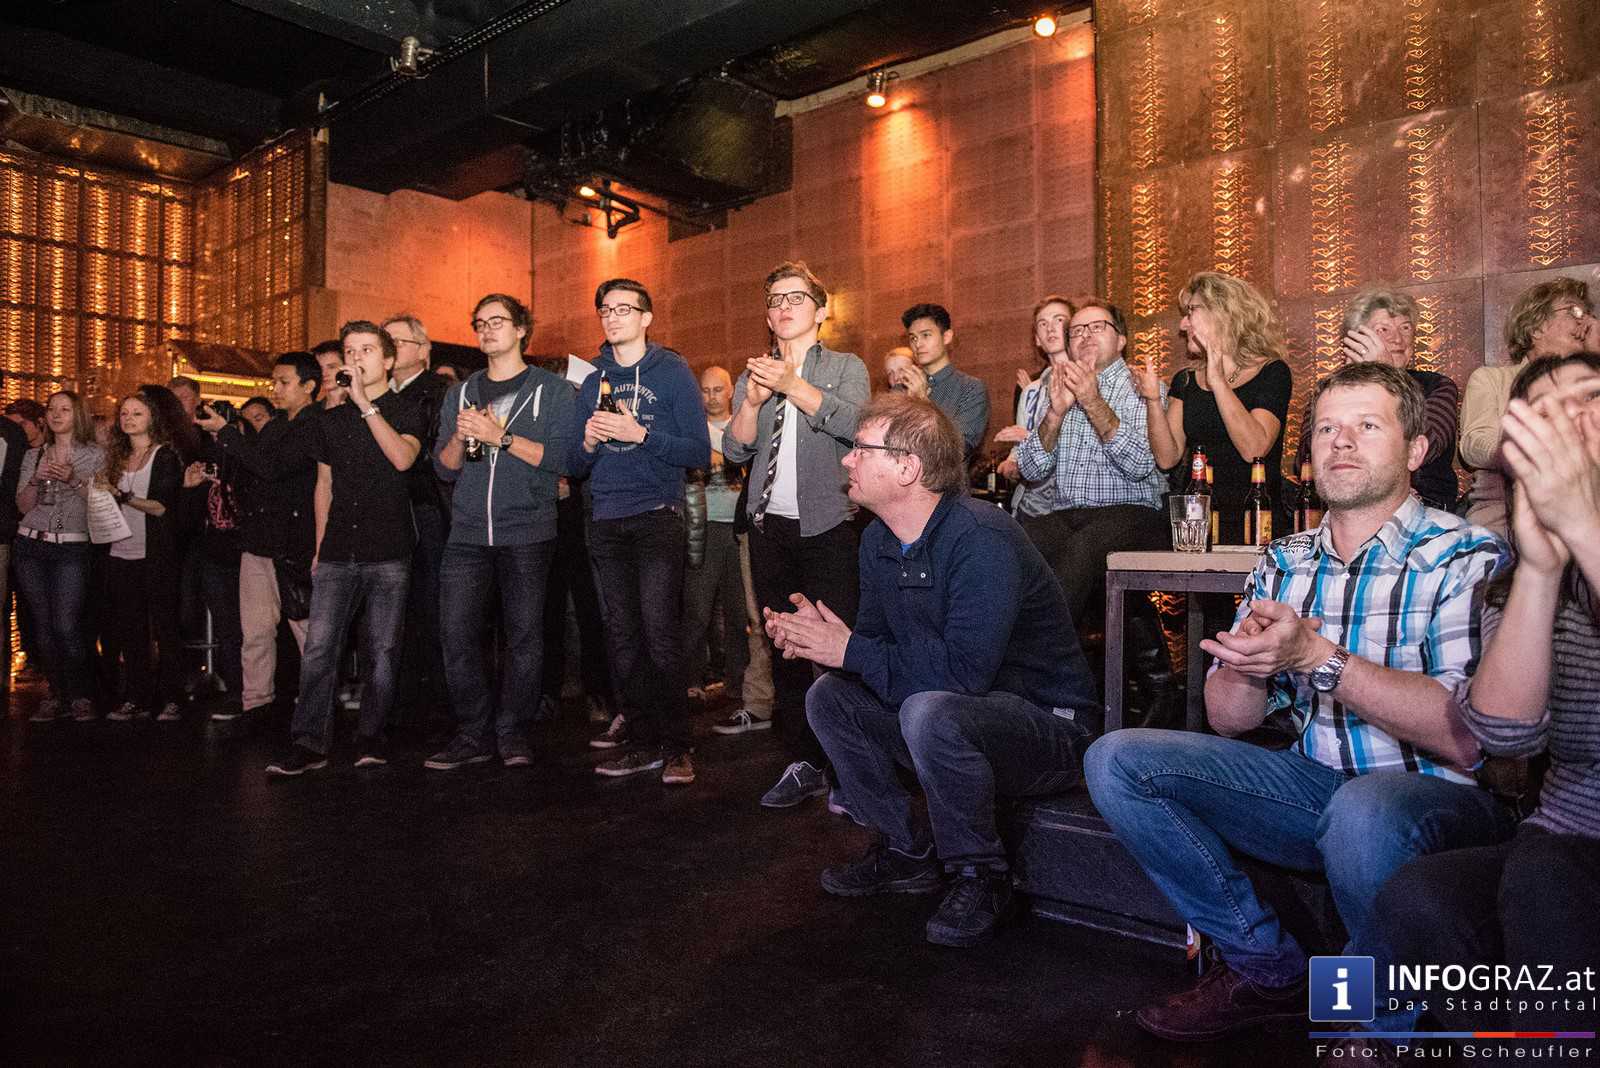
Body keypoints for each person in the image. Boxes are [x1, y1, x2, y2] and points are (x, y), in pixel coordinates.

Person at [1085, 361, 1514, 1044]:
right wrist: (1246, 667)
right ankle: (1270, 971)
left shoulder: (1465, 552)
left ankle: (1373, 1028)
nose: (1340, 443)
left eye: (1367, 426)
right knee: (1116, 759)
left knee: (1364, 808)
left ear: (1416, 449)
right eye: (1326, 429)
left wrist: (1319, 659)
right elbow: (1232, 720)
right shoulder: (1285, 558)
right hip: (1313, 784)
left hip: (1435, 798)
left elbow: (1467, 739)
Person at [1341, 354, 1600, 1066]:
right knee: (1425, 897)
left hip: (1550, 854)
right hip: (1570, 832)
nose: (1572, 419)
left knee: (1542, 882)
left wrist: (1587, 533)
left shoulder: (1458, 548)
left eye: (1591, 397)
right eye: (1547, 409)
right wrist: (1545, 569)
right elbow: (1506, 731)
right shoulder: (1519, 567)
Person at [782, 394, 1098, 946]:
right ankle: (906, 850)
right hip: (960, 719)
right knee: (829, 697)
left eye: (859, 449)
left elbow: (966, 674)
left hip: (1048, 729)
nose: (846, 460)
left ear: (908, 467)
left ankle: (981, 874)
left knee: (931, 709)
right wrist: (822, 642)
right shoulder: (879, 541)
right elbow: (877, 650)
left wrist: (849, 649)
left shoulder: (982, 538)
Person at [722, 261, 869, 808]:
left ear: (821, 310)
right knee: (782, 645)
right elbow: (735, 450)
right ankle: (804, 759)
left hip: (827, 525)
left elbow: (858, 426)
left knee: (835, 646)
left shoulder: (846, 366)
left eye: (795, 298)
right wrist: (755, 402)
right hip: (767, 526)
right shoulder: (754, 373)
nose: (783, 307)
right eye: (775, 299)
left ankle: (851, 767)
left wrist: (795, 386)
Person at [265, 321, 426, 776]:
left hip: (388, 549)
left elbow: (403, 458)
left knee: (381, 653)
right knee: (318, 650)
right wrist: (319, 547)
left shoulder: (409, 408)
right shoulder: (330, 422)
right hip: (337, 549)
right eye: (350, 350)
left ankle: (371, 737)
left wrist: (365, 405)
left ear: (388, 360)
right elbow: (324, 485)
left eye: (367, 350)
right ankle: (309, 743)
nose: (356, 358)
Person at [424, 295, 578, 770]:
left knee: (525, 636)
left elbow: (564, 460)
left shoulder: (552, 390)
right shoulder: (462, 392)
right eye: (480, 323)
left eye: (498, 321)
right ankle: (473, 731)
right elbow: (445, 470)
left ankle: (512, 731)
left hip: (527, 530)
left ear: (520, 331)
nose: (487, 329)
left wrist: (501, 438)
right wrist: (459, 436)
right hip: (467, 533)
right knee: (455, 633)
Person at [572, 278, 710, 785]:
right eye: (605, 309)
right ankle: (641, 742)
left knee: (659, 634)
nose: (613, 317)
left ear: (647, 317)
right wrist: (586, 441)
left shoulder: (670, 371)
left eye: (624, 309)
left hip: (656, 513)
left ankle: (678, 746)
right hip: (606, 519)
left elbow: (698, 451)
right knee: (622, 637)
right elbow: (573, 463)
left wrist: (641, 434)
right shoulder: (592, 382)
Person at [1014, 296, 1168, 621]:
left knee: (1081, 551)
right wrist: (1055, 412)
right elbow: (1030, 469)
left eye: (1097, 327)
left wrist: (1092, 400)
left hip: (1133, 513)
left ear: (1122, 340)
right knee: (1007, 544)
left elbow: (1140, 465)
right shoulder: (1058, 388)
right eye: (1077, 330)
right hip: (1067, 512)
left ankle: (1050, 659)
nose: (1085, 335)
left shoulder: (1143, 387)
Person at [1134, 271, 1293, 543]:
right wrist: (1151, 401)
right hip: (1197, 520)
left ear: (1222, 313)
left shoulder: (1272, 372)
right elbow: (1167, 457)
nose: (1183, 325)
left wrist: (1217, 380)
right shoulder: (1185, 380)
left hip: (1254, 517)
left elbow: (1254, 448)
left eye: (1191, 311)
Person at [211, 352, 322, 721]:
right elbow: (251, 472)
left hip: (292, 542)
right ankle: (256, 702)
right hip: (258, 539)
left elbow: (272, 469)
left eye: (284, 382)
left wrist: (227, 434)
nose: (276, 389)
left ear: (309, 386)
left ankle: (316, 710)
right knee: (255, 631)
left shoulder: (313, 425)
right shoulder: (275, 426)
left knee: (307, 631)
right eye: (273, 381)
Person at [1292, 286, 1460, 511]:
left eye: (1406, 328)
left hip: (1424, 512)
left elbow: (1425, 445)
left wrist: (1385, 377)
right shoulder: (1329, 393)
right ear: (1355, 338)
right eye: (1383, 329)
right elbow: (1306, 461)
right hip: (1342, 509)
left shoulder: (1438, 386)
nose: (1398, 338)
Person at [1460, 276, 1595, 537]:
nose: (1583, 321)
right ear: (1536, 328)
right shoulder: (1492, 379)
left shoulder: (1592, 385)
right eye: (1573, 311)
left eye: (1587, 314)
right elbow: (1474, 445)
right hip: (1505, 513)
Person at [14, 391, 105, 723]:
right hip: (31, 545)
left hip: (71, 545)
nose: (56, 415)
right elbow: (23, 506)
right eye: (51, 409)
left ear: (76, 415)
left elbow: (101, 500)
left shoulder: (94, 455)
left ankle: (81, 694)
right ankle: (55, 694)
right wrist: (38, 479)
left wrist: (73, 479)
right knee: (43, 627)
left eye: (64, 409)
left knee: (66, 624)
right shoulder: (34, 455)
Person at [383, 313, 452, 730]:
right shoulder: (374, 393)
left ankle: (440, 706)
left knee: (432, 608)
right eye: (384, 342)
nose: (390, 351)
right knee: (393, 612)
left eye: (398, 342)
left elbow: (435, 455)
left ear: (424, 350)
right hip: (386, 511)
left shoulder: (438, 392)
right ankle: (398, 702)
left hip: (427, 509)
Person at [97, 393, 184, 722]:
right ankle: (137, 697)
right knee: (130, 629)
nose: (128, 418)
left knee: (164, 628)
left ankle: (173, 697)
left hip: (156, 553)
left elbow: (161, 507)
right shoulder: (116, 457)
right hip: (119, 552)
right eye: (124, 413)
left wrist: (123, 495)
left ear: (153, 418)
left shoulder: (163, 456)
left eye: (137, 413)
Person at [683, 365, 752, 719]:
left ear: (730, 391)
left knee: (739, 610)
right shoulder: (693, 429)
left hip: (739, 529)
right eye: (705, 390)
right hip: (704, 527)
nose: (710, 396)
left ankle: (736, 683)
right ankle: (691, 680)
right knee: (697, 608)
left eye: (716, 389)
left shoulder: (744, 424)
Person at [896, 303, 990, 460]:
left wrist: (922, 403)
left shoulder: (972, 389)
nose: (918, 344)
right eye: (913, 338)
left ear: (946, 337)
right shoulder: (900, 389)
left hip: (945, 484)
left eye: (926, 335)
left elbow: (958, 449)